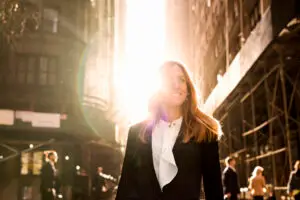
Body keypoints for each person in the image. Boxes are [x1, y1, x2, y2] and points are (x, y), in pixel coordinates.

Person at [116, 61, 224, 200]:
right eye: (168, 79)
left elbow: (214, 190)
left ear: (188, 89)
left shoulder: (204, 131)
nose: (176, 84)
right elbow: (126, 186)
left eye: (181, 79)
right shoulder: (137, 132)